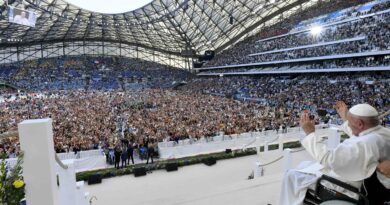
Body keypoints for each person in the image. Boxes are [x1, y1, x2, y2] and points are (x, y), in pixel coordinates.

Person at [279, 101, 390, 205]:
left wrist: (310, 133)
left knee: (291, 175)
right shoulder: (382, 133)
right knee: (305, 165)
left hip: (350, 187)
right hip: (364, 181)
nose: (348, 125)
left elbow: (327, 159)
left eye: (350, 122)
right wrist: (345, 117)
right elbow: (361, 134)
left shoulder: (364, 143)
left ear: (360, 124)